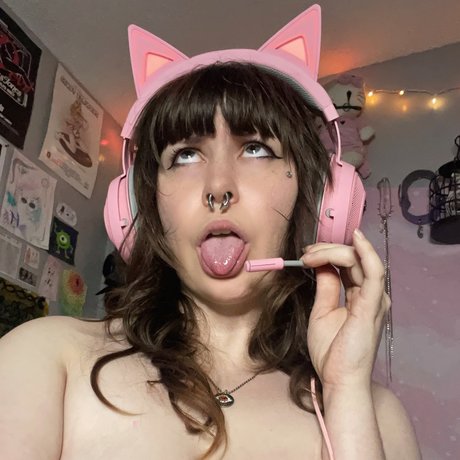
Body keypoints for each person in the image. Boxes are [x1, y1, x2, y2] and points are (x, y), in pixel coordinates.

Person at [0, 6, 421, 460]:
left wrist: (344, 393)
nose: (218, 186)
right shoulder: (45, 358)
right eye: (184, 155)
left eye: (256, 149)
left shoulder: (379, 417)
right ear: (142, 205)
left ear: (316, 198)